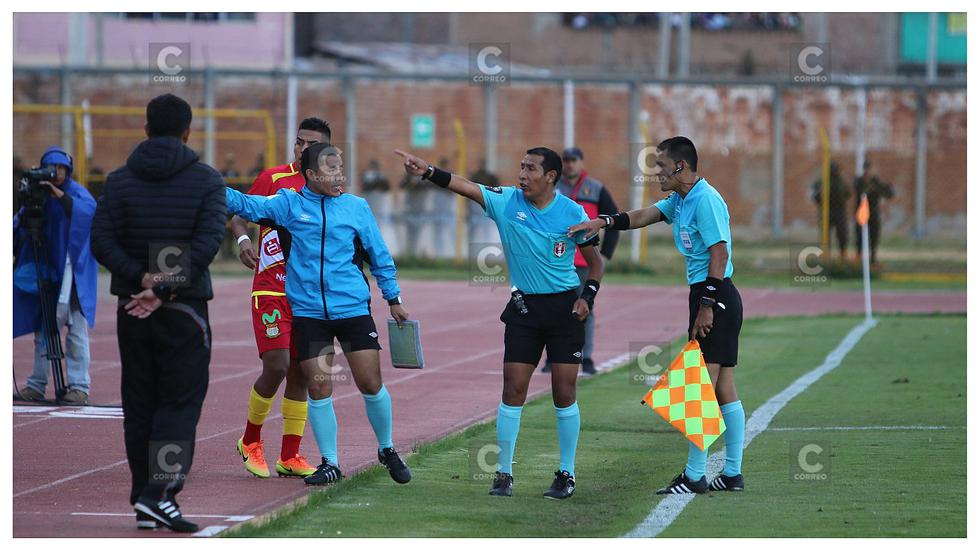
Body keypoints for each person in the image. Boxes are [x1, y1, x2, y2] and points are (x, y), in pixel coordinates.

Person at [395, 146, 605, 500]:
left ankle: (566, 473)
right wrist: (429, 170)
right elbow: (467, 187)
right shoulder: (507, 201)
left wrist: (588, 298)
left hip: (564, 311)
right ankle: (504, 473)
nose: (522, 174)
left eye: (531, 169)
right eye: (521, 166)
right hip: (524, 311)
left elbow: (595, 266)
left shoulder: (573, 212)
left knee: (564, 392)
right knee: (513, 389)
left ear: (550, 176)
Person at [225, 143, 413, 487]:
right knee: (320, 387)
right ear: (310, 175)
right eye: (330, 170)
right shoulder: (289, 204)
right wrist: (204, 185)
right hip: (310, 314)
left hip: (353, 309)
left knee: (370, 383)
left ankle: (387, 449)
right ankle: (331, 462)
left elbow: (379, 255)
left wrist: (393, 298)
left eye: (341, 168)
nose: (339, 176)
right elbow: (245, 205)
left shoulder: (357, 207)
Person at [569, 136, 745, 494]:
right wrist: (602, 222)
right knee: (723, 388)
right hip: (711, 295)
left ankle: (694, 475)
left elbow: (720, 254)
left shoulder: (705, 200)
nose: (657, 174)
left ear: (680, 167)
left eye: (661, 167)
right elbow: (643, 216)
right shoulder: (680, 199)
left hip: (715, 295)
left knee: (697, 391)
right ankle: (732, 474)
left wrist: (707, 307)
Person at [90, 93, 227, 532]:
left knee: (140, 402)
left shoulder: (118, 181)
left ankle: (145, 498)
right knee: (178, 403)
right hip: (183, 311)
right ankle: (158, 494)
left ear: (146, 129)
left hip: (133, 309)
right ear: (188, 131)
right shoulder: (207, 181)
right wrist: (164, 287)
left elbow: (102, 242)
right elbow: (206, 245)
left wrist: (142, 282)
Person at [228, 117, 332, 480]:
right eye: (299, 142)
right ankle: (250, 440)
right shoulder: (273, 179)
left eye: (310, 144)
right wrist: (243, 241)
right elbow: (239, 212)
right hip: (271, 289)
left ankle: (290, 454)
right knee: (276, 364)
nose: (302, 149)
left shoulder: (327, 188)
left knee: (301, 372)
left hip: (307, 295)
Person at [13, 147, 98, 404]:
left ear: (68, 170)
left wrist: (59, 196)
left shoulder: (76, 193)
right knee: (44, 327)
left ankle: (79, 386)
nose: (56, 173)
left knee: (75, 329)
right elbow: (18, 226)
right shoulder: (37, 195)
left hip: (72, 273)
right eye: (52, 168)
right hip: (44, 268)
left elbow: (89, 214)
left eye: (61, 168)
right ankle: (37, 384)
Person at [544, 146, 620, 375]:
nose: (569, 164)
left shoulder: (596, 189)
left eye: (573, 160)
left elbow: (613, 219)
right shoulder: (553, 187)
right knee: (554, 309)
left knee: (586, 307)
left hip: (586, 262)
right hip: (557, 260)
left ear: (581, 162)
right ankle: (552, 358)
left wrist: (605, 255)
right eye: (565, 160)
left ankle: (586, 358)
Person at [853, 159, 893, 265]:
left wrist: (886, 188)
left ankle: (873, 258)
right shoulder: (859, 181)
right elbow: (860, 192)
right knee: (860, 236)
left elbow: (886, 193)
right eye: (866, 169)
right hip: (862, 213)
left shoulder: (875, 181)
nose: (868, 171)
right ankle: (859, 256)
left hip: (873, 212)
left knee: (874, 235)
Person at [811, 161, 850, 260]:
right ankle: (826, 255)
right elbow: (815, 196)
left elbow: (847, 194)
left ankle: (842, 254)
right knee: (825, 236)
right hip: (825, 212)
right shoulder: (821, 182)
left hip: (839, 211)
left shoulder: (840, 182)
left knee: (842, 234)